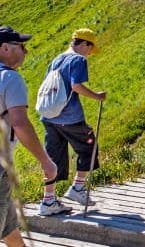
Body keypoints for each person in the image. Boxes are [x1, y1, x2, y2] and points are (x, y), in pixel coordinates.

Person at [0, 26, 59, 247]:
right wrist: (45, 161)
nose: (25, 52)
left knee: (6, 223)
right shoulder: (9, 78)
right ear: (5, 48)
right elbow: (20, 123)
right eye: (21, 46)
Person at [39, 28, 106, 215]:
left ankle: (48, 201)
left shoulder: (57, 59)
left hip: (49, 116)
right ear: (84, 43)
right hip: (69, 117)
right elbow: (76, 86)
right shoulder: (78, 60)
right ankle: (77, 188)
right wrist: (97, 96)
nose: (90, 54)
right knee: (89, 148)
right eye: (90, 49)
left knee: (53, 158)